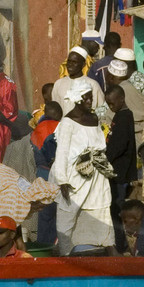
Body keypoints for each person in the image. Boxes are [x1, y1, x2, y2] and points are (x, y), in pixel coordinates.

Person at [51, 82, 116, 254]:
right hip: (75, 175)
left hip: (95, 174)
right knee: (69, 212)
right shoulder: (67, 122)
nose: (90, 101)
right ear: (78, 99)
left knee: (100, 208)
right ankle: (65, 251)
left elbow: (99, 145)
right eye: (86, 98)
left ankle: (107, 245)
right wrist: (62, 181)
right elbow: (62, 153)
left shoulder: (94, 119)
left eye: (91, 97)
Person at [104, 84, 137, 250]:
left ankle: (120, 245)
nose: (111, 107)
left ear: (122, 99)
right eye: (108, 104)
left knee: (116, 211)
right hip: (117, 172)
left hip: (119, 173)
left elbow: (120, 145)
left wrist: (105, 159)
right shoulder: (119, 115)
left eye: (112, 103)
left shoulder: (124, 117)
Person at [52, 47, 101, 115]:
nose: (70, 65)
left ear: (83, 65)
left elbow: (100, 111)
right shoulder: (58, 84)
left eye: (74, 62)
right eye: (69, 61)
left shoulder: (92, 84)